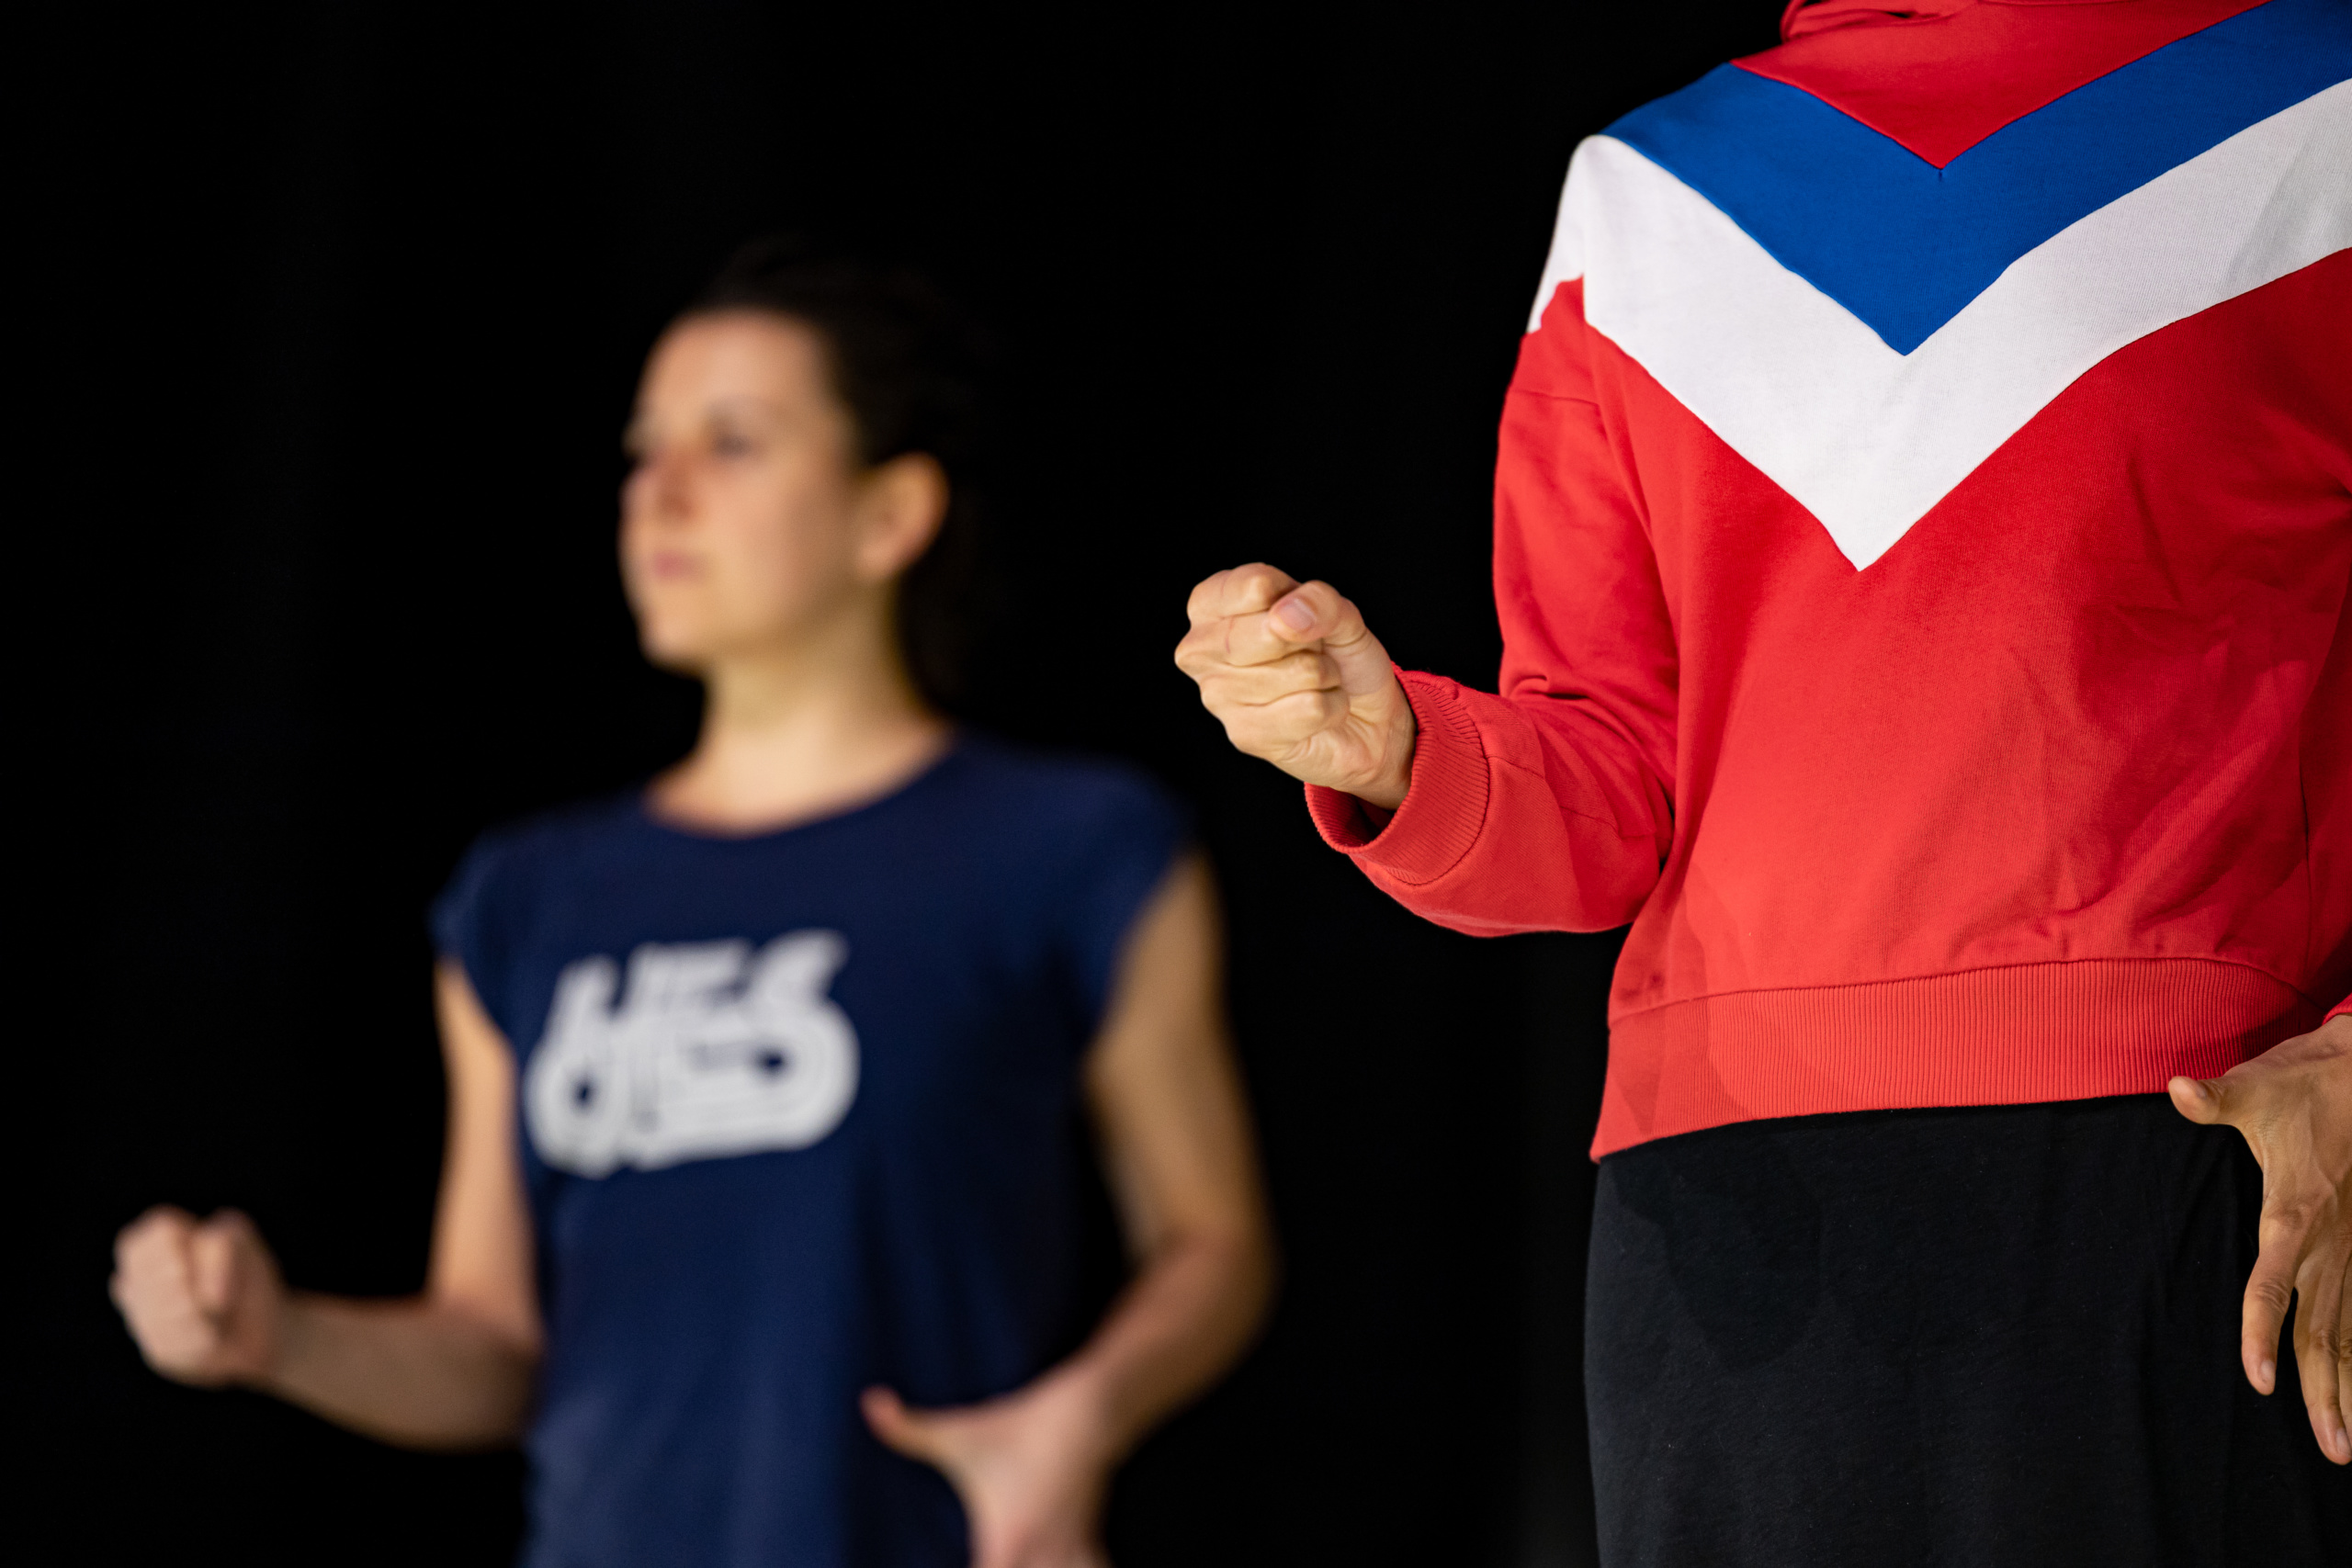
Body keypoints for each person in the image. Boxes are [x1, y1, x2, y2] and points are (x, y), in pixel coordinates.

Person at [1177, 0, 2348, 1562]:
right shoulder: (1647, 193)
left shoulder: (2315, 106)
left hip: (2197, 1156)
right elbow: (1612, 775)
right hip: (1725, 1217)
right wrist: (1398, 756)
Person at [111, 240, 1273, 1568]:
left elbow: (1213, 1240)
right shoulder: (527, 899)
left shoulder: (1069, 849)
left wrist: (1082, 1416)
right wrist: (280, 1338)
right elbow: (496, 1345)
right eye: (642, 449)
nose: (659, 495)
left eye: (732, 443)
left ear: (890, 515)